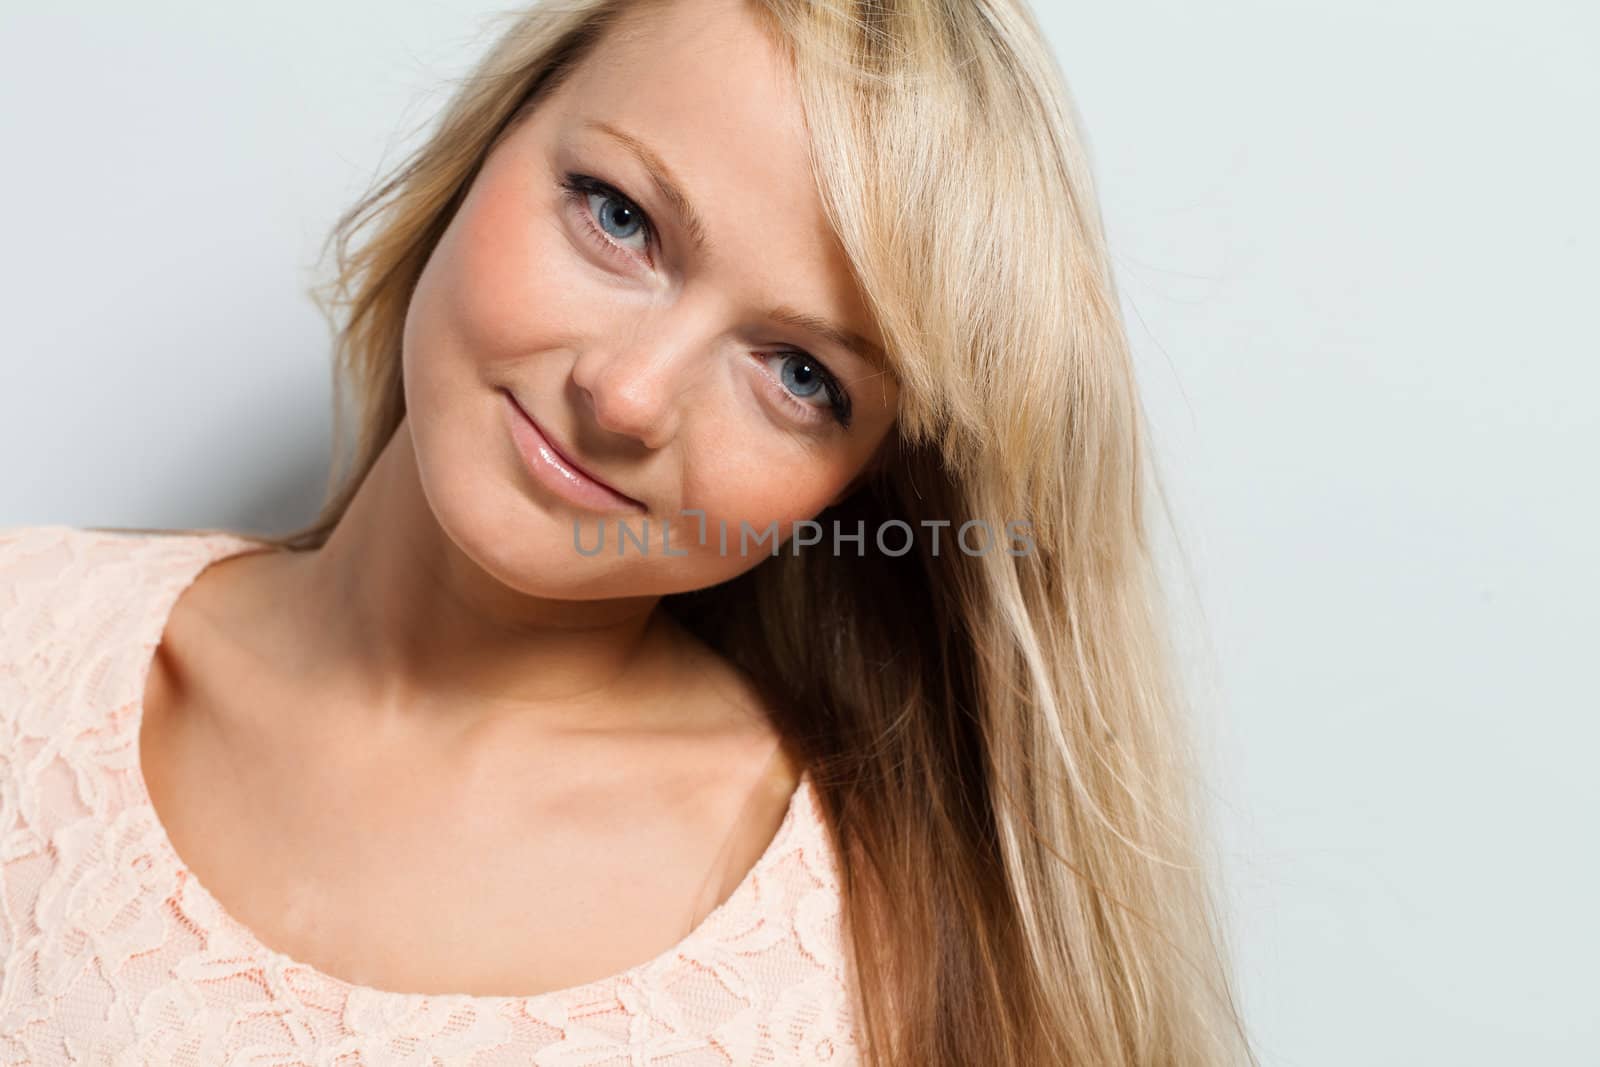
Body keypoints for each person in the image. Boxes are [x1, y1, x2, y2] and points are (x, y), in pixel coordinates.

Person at [0, 0, 1256, 1063]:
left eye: (800, 374)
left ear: (864, 483)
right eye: (616, 216)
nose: (628, 395)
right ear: (484, 146)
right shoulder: (21, 637)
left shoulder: (899, 957)